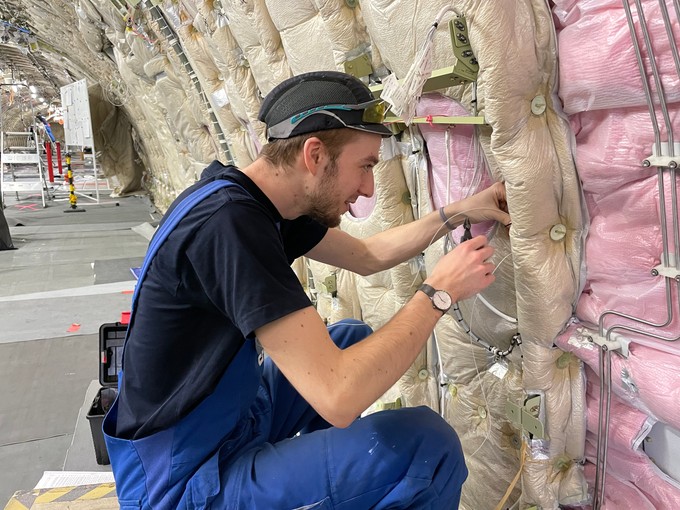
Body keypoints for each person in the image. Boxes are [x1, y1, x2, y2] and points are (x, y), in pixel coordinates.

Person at [103, 70, 511, 509]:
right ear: (314, 154)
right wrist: (438, 294)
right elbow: (338, 398)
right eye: (366, 166)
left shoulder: (255, 202)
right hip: (184, 479)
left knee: (351, 337)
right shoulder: (230, 228)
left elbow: (367, 255)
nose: (368, 188)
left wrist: (460, 211)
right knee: (426, 445)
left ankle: (329, 489)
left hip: (225, 424)